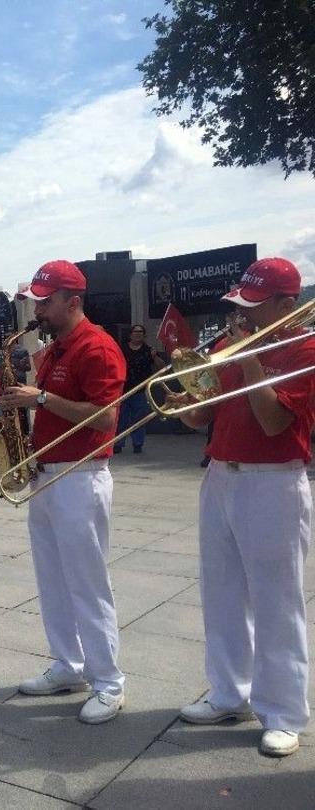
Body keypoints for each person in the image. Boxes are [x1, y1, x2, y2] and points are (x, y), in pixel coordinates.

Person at [171, 258, 312, 757]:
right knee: (221, 592)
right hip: (220, 474)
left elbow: (275, 422)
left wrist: (252, 358)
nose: (242, 317)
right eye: (241, 306)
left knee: (277, 602)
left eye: (253, 308)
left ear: (286, 306)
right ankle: (229, 692)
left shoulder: (306, 349)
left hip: (274, 481)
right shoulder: (232, 345)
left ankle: (284, 713)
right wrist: (191, 403)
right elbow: (203, 415)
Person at [0, 260, 127, 724]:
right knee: (52, 579)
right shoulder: (52, 350)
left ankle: (109, 682)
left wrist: (42, 399)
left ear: (73, 302)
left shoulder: (98, 348)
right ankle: (67, 664)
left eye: (46, 302)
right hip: (49, 474)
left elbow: (106, 418)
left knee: (88, 584)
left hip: (80, 475)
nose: (38, 310)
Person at [113, 325, 165, 454]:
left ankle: (138, 444)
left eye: (141, 332)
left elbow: (161, 367)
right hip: (123, 390)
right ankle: (118, 443)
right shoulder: (122, 349)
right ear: (130, 334)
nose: (138, 334)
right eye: (135, 332)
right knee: (121, 419)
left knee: (139, 419)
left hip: (141, 390)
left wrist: (154, 357)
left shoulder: (149, 350)